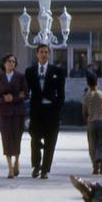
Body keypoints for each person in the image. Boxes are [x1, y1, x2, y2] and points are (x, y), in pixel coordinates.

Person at [25, 43, 66, 179]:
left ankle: (45, 169)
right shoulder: (30, 71)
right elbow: (27, 92)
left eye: (46, 52)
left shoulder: (58, 72)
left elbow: (61, 94)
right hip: (36, 111)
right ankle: (36, 166)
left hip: (51, 111)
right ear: (37, 54)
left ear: (49, 54)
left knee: (50, 141)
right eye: (41, 52)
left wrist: (57, 110)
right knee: (35, 139)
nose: (43, 54)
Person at [0, 53, 27, 178]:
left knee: (17, 137)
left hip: (18, 111)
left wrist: (13, 98)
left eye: (13, 61)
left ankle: (17, 162)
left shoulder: (20, 77)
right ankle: (9, 168)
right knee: (6, 138)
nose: (10, 63)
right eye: (8, 61)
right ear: (4, 63)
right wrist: (4, 99)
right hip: (4, 112)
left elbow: (25, 94)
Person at [81, 73, 102, 175]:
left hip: (91, 123)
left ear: (88, 83)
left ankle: (95, 167)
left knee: (92, 146)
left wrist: (87, 120)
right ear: (97, 82)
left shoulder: (86, 97)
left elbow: (84, 112)